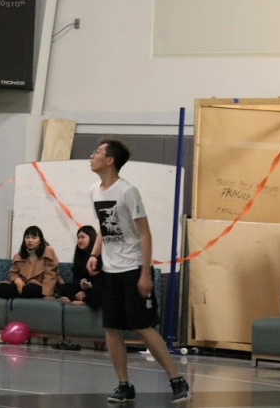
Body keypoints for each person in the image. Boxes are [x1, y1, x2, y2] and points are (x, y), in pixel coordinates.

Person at [87, 139, 189, 404]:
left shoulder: (128, 191)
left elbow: (145, 233)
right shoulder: (94, 191)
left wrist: (145, 273)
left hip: (132, 268)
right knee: (112, 328)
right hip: (110, 270)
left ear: (110, 160)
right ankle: (124, 385)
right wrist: (95, 254)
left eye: (97, 153)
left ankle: (177, 380)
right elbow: (104, 226)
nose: (92, 156)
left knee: (142, 326)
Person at [0, 226, 58, 299]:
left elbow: (50, 275)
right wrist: (17, 280)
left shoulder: (48, 252)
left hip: (40, 286)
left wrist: (47, 294)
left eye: (34, 238)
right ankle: (20, 292)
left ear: (40, 240)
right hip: (23, 284)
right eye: (27, 237)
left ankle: (19, 293)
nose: (30, 240)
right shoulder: (19, 255)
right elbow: (13, 273)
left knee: (30, 289)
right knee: (1, 289)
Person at [56, 225, 101, 309]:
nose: (80, 240)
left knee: (101, 290)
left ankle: (83, 300)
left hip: (95, 287)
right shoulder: (79, 256)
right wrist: (80, 282)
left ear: (91, 237)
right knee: (66, 287)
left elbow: (102, 278)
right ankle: (80, 298)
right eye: (78, 238)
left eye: (83, 237)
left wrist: (90, 285)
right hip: (83, 288)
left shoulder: (98, 255)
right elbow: (76, 277)